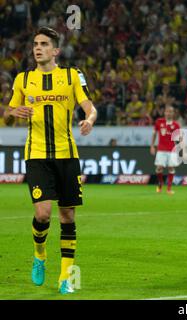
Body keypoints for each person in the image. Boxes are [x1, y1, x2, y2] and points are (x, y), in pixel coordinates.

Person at [3, 27, 97, 294]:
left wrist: (89, 121)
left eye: (44, 44)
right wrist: (13, 112)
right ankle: (40, 254)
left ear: (56, 50)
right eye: (35, 44)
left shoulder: (71, 75)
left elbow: (89, 107)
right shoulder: (23, 78)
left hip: (67, 155)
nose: (38, 48)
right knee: (43, 214)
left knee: (67, 216)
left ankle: (65, 277)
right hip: (37, 155)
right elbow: (8, 112)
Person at [150, 105, 181, 195]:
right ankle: (160, 184)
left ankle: (169, 189)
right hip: (161, 149)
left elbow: (180, 137)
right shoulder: (159, 122)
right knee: (159, 168)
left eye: (170, 112)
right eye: (167, 111)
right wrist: (152, 145)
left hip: (171, 149)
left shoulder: (176, 125)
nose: (168, 113)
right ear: (164, 112)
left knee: (171, 167)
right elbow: (154, 134)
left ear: (173, 113)